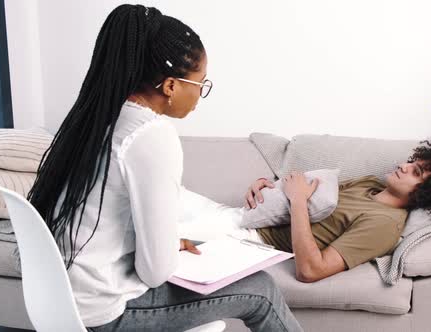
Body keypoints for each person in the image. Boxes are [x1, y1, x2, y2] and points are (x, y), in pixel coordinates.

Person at [27, 5, 302, 332]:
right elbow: (154, 273)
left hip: (64, 300)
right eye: (200, 83)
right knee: (262, 290)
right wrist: (166, 252)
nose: (200, 94)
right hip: (106, 314)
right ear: (170, 86)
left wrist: (166, 242)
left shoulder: (98, 118)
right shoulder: (149, 137)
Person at [179, 142, 431, 283]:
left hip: (247, 239)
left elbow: (311, 271)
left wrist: (296, 202)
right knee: (157, 197)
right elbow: (308, 193)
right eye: (412, 161)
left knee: (154, 224)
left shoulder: (384, 225)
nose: (405, 166)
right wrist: (266, 187)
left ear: (426, 194)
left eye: (416, 171)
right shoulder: (370, 184)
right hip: (240, 216)